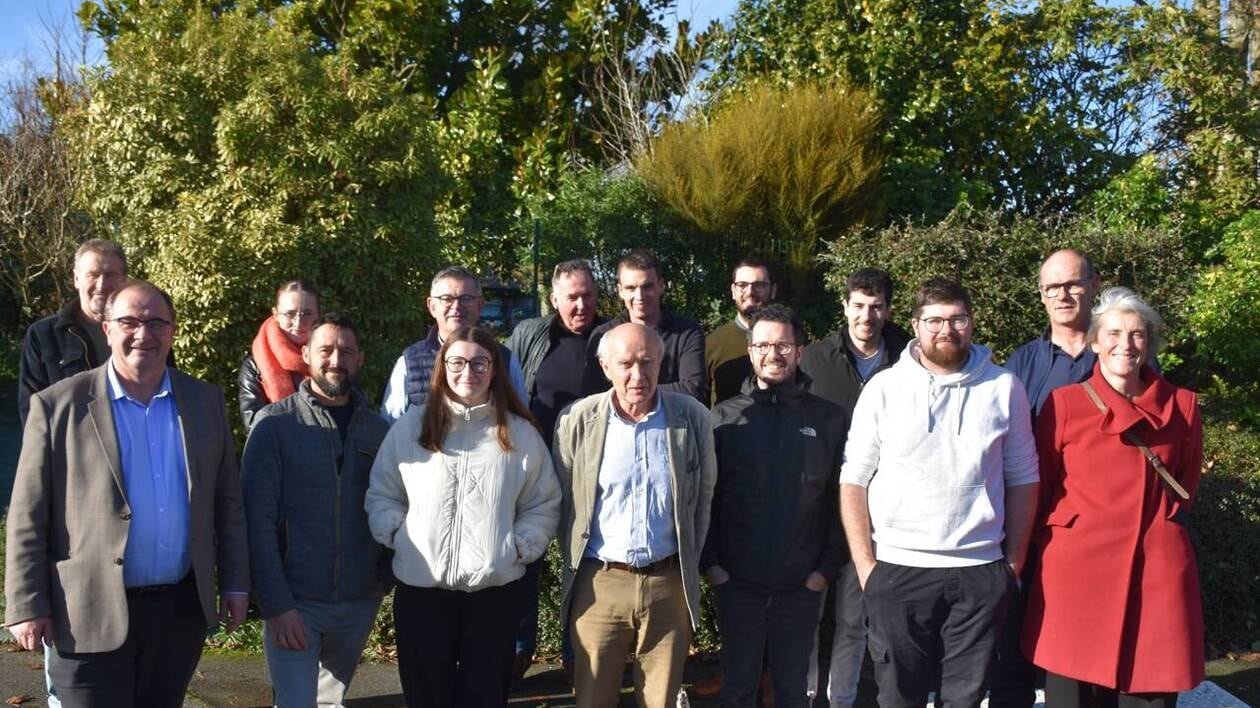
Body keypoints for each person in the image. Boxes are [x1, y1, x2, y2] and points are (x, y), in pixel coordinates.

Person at [5, 279, 250, 707]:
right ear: (107, 329)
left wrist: (235, 584)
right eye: (129, 321)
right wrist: (26, 603)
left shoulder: (204, 401)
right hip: (85, 614)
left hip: (177, 613)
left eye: (156, 322)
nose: (143, 333)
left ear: (172, 331)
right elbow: (29, 514)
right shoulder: (57, 405)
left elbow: (227, 502)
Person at [838, 278, 1040, 708]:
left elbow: (1024, 477)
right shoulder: (884, 389)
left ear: (971, 324)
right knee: (897, 698)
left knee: (965, 699)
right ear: (914, 324)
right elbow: (853, 478)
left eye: (957, 319)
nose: (945, 330)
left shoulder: (1004, 388)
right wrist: (866, 566)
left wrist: (1013, 566)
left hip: (980, 570)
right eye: (934, 320)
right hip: (898, 570)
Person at [1022, 287, 1203, 707]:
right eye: (1115, 333)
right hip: (1076, 577)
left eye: (1138, 334)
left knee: (1150, 692)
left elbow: (1185, 485)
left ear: (1149, 344)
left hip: (1154, 577)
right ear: (1096, 341)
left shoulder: (1183, 406)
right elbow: (1043, 486)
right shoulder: (1064, 404)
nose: (1126, 344)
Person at [366, 325, 561, 707]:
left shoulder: (519, 434)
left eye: (478, 362)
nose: (467, 372)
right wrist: (396, 532)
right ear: (443, 365)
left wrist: (521, 545)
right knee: (426, 697)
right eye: (457, 362)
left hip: (493, 594)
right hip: (422, 591)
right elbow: (383, 491)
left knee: (485, 697)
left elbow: (543, 502)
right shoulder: (413, 426)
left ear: (493, 368)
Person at [553, 322, 717, 707]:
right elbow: (560, 501)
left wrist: (688, 561)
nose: (637, 375)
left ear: (662, 363)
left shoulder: (691, 417)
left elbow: (704, 499)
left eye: (647, 362)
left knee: (660, 700)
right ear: (605, 366)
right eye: (626, 363)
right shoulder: (577, 420)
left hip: (668, 582)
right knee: (594, 698)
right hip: (599, 584)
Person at [242, 313, 391, 706]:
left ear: (360, 359)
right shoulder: (274, 426)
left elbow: (397, 507)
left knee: (330, 704)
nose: (335, 360)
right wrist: (276, 605)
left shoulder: (380, 432)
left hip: (358, 603)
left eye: (346, 351)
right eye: (325, 350)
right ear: (306, 354)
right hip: (295, 604)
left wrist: (381, 580)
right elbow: (256, 523)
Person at [703, 304, 848, 707]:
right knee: (737, 689)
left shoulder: (829, 420)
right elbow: (706, 501)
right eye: (763, 344)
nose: (773, 354)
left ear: (800, 351)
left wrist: (825, 569)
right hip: (737, 585)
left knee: (792, 692)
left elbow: (842, 501)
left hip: (800, 587)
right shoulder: (723, 420)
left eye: (783, 345)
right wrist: (712, 565)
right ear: (750, 352)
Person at [991, 249, 1101, 706]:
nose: (1063, 294)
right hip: (1032, 525)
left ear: (1093, 286)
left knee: (1091, 643)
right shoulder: (1025, 362)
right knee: (1015, 640)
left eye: (1072, 283)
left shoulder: (1117, 351)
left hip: (1098, 529)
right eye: (1052, 287)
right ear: (1041, 296)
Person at [799, 267, 911, 708]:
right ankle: (804, 696)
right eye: (859, 305)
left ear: (888, 309)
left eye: (877, 306)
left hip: (881, 512)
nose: (867, 315)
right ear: (844, 305)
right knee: (809, 615)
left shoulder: (909, 357)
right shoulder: (816, 360)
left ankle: (841, 699)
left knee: (853, 618)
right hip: (820, 508)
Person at [504, 259, 606, 682]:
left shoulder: (610, 336)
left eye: (587, 296)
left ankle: (573, 653)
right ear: (554, 299)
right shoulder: (530, 334)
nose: (580, 305)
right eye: (571, 297)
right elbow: (505, 387)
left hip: (592, 471)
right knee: (525, 559)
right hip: (534, 466)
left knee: (581, 564)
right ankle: (517, 650)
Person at [381, 266, 527, 422]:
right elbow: (389, 427)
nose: (456, 307)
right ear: (432, 306)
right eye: (446, 299)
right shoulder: (409, 363)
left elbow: (521, 421)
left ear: (480, 305)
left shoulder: (505, 360)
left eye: (466, 299)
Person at [19, 239, 128, 427]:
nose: (101, 285)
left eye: (110, 275)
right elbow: (31, 412)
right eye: (92, 275)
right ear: (76, 279)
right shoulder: (43, 335)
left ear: (124, 280)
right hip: (71, 452)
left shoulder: (148, 332)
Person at [585, 250, 706, 403]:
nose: (640, 296)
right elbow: (592, 394)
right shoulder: (603, 336)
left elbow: (692, 390)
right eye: (630, 288)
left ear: (661, 286)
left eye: (647, 286)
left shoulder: (687, 333)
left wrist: (630, 392)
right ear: (620, 290)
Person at [238, 280, 321, 431]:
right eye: (290, 314)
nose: (298, 322)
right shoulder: (255, 366)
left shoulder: (332, 359)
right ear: (276, 314)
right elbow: (254, 425)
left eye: (307, 314)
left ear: (318, 315)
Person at [705, 257, 777, 406]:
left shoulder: (789, 342)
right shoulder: (712, 344)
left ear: (773, 290)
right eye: (742, 285)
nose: (750, 292)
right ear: (733, 291)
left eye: (759, 285)